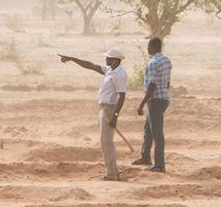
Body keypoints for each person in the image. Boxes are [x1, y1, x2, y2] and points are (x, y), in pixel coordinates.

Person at [58, 48, 128, 181]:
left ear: (114, 60)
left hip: (109, 109)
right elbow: (90, 65)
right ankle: (113, 172)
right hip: (103, 107)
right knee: (106, 142)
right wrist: (72, 58)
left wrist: (115, 116)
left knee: (106, 142)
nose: (105, 59)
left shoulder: (120, 74)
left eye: (107, 58)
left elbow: (122, 96)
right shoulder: (109, 69)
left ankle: (111, 174)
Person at [134, 36, 172, 172]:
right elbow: (167, 82)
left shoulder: (153, 63)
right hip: (164, 98)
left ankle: (159, 164)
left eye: (148, 46)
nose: (147, 48)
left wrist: (142, 104)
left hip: (155, 99)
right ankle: (145, 156)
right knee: (148, 129)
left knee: (156, 133)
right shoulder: (166, 61)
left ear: (153, 47)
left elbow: (151, 85)